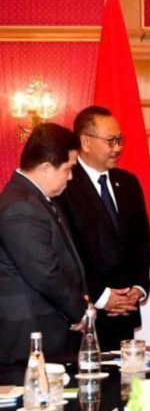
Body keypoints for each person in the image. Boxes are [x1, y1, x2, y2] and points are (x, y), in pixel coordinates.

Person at [56, 106, 150, 351]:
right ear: (86, 142)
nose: (118, 148)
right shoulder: (64, 184)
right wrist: (101, 296)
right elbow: (66, 253)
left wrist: (139, 287)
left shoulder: (128, 183)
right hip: (85, 313)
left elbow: (142, 242)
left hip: (125, 312)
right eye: (111, 141)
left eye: (120, 140)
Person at [0, 123, 87, 362]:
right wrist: (79, 311)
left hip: (46, 325)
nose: (71, 177)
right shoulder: (21, 206)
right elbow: (45, 273)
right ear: (46, 167)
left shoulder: (35, 199)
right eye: (68, 169)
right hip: (30, 331)